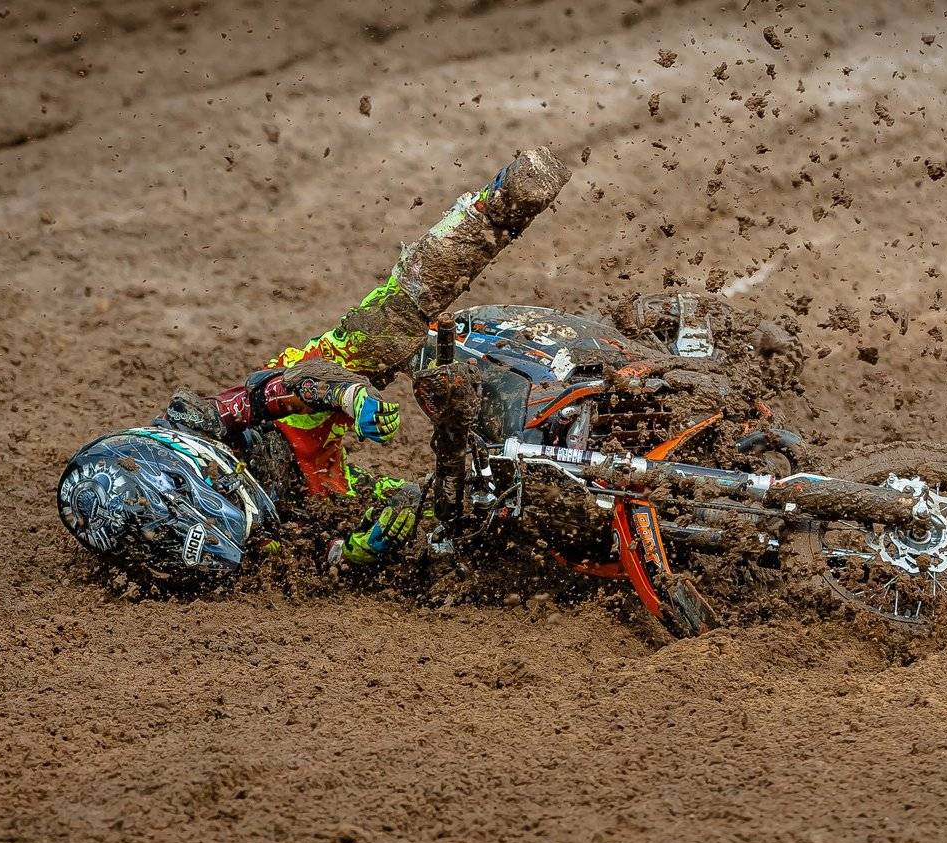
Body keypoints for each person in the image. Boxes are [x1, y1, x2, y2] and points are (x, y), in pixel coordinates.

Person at [57, 147, 571, 581]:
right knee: (435, 517)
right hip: (317, 496)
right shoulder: (173, 552)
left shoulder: (200, 424)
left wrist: (349, 395)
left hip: (294, 422)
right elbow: (298, 562)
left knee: (379, 329)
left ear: (185, 475)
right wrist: (351, 554)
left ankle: (494, 209)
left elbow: (277, 388)